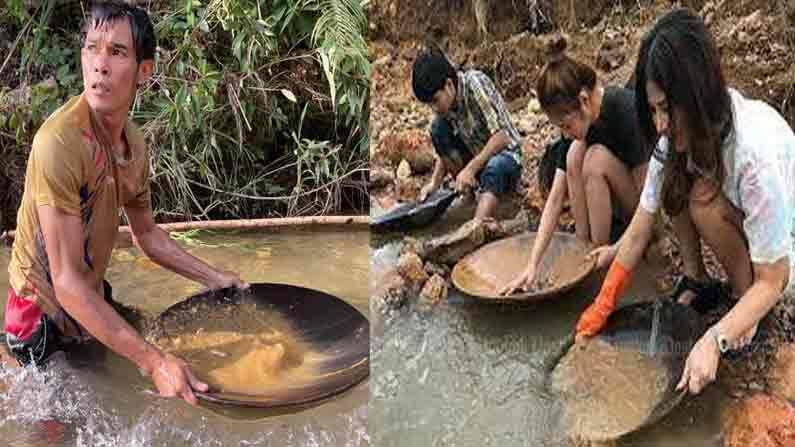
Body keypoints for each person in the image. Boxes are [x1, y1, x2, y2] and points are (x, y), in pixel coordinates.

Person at [3, 1, 248, 406]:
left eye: (116, 52)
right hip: (39, 314)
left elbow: (147, 235)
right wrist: (154, 363)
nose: (100, 64)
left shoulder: (133, 145)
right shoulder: (58, 143)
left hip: (90, 298)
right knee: (55, 429)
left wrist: (213, 278)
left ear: (144, 71)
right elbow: (65, 284)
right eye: (91, 48)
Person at [574, 8, 795, 395]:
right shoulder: (674, 142)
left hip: (783, 254)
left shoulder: (752, 155)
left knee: (704, 204)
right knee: (678, 189)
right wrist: (602, 304)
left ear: (697, 94)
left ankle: (747, 315)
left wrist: (715, 339)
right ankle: (701, 282)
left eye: (666, 109)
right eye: (653, 110)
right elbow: (641, 229)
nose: (659, 124)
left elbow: (774, 279)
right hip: (749, 226)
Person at [501, 37, 649, 294]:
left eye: (567, 126)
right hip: (614, 210)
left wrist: (619, 249)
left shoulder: (624, 110)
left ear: (583, 100)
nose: (566, 133)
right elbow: (556, 197)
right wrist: (532, 264)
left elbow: (649, 198)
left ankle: (597, 260)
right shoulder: (576, 125)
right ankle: (585, 248)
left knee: (595, 159)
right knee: (573, 154)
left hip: (643, 214)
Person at [411, 44, 523, 220]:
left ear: (449, 84)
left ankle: (477, 225)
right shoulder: (447, 107)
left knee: (494, 168)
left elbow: (502, 137)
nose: (433, 108)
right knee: (437, 128)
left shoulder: (475, 85)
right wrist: (434, 183)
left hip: (505, 158)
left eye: (435, 101)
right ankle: (467, 194)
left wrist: (470, 169)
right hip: (479, 161)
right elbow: (445, 150)